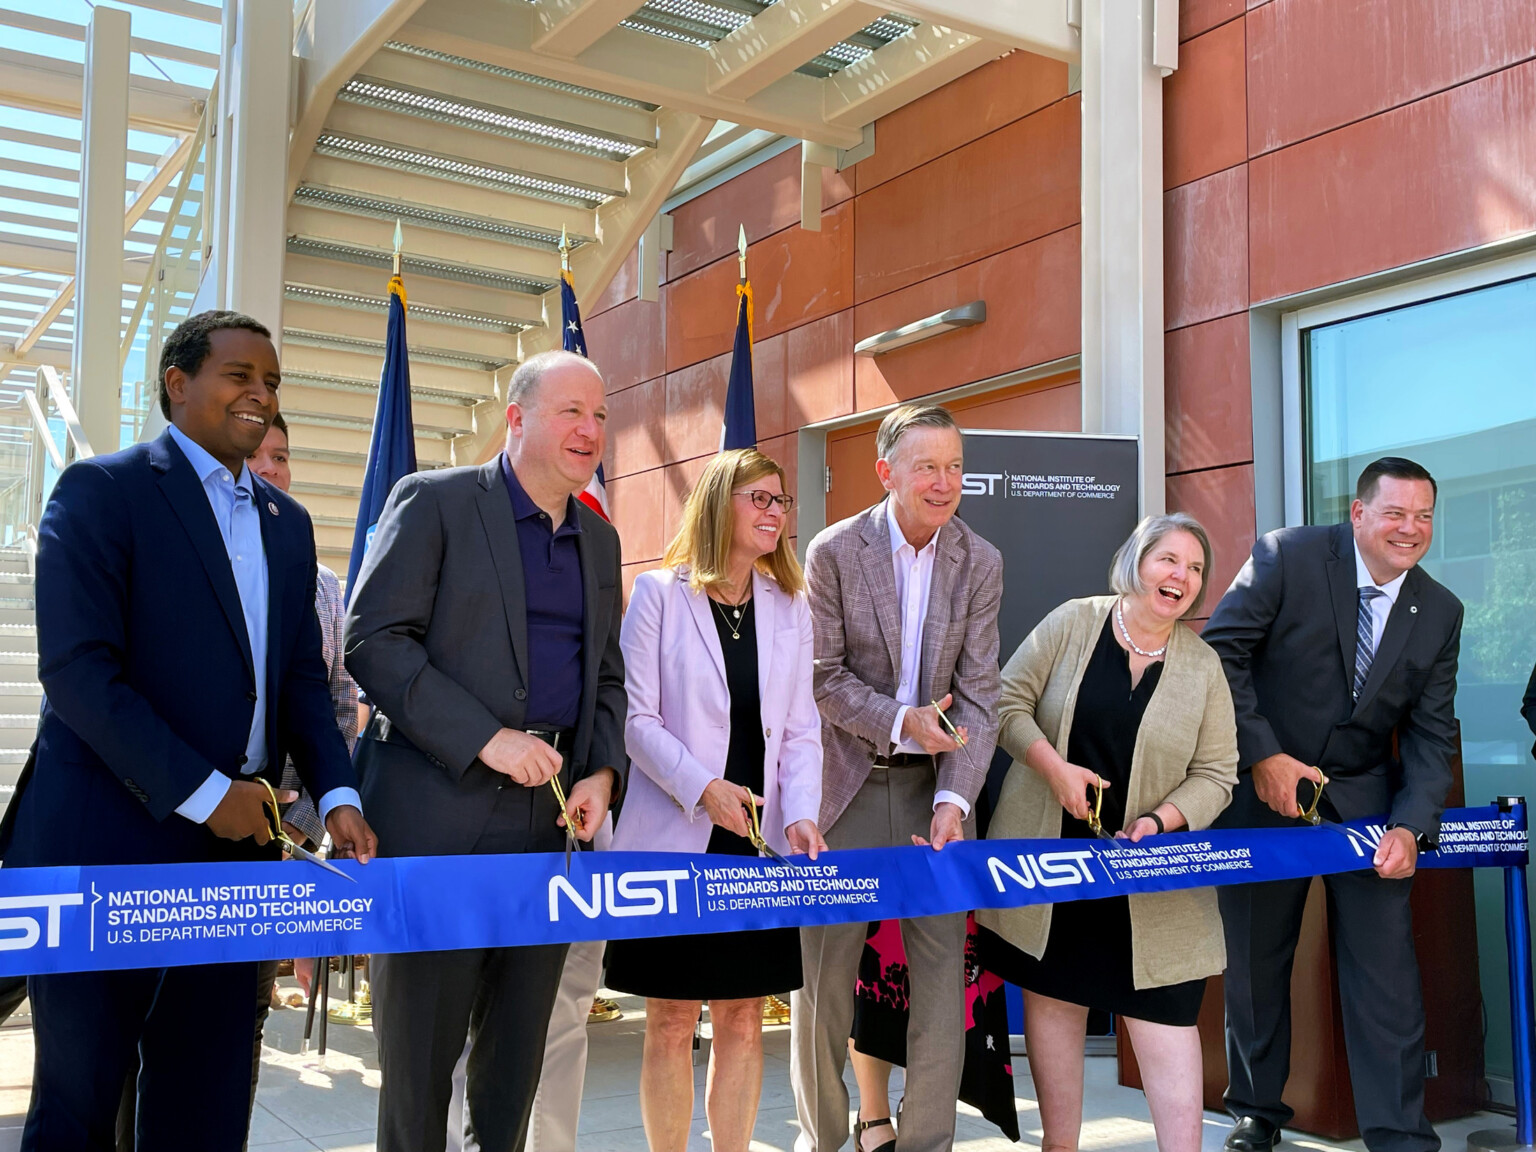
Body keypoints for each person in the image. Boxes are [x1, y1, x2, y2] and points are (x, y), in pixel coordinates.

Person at [0, 310, 375, 1152]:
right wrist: (209, 796)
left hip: (231, 857)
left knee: (205, 1103)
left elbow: (299, 681)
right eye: (240, 375)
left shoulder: (289, 526)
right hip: (102, 843)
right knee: (79, 1104)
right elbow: (79, 675)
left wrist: (339, 789)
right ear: (179, 385)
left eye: (271, 381)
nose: (259, 394)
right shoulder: (103, 490)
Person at [344, 348, 626, 1152]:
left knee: (512, 1075)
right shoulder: (432, 503)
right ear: (516, 418)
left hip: (547, 834)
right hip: (436, 820)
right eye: (571, 411)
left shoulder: (598, 543)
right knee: (419, 1078)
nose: (590, 429)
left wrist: (602, 771)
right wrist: (488, 740)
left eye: (601, 415)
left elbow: (608, 676)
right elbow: (374, 641)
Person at [1202, 456, 1462, 1152]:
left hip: (1365, 804)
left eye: (1423, 516)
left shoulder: (1439, 610)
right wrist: (1263, 755)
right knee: (1257, 962)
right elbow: (1219, 652)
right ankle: (1257, 1111)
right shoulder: (1286, 555)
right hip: (1262, 792)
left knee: (1387, 976)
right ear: (1358, 514)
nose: (1410, 529)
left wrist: (1411, 826)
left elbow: (1435, 736)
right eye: (1395, 513)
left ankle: (1400, 1135)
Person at [975, 513, 1238, 1152]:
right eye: (1168, 560)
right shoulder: (1073, 622)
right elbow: (1005, 704)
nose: (1181, 576)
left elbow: (1218, 773)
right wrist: (1054, 770)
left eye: (1195, 567)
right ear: (1137, 563)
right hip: (1053, 874)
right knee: (1055, 1005)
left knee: (1168, 1019)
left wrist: (1160, 822)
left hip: (1150, 877)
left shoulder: (1203, 666)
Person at [792, 402, 1002, 1152]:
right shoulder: (834, 551)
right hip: (845, 783)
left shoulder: (979, 560)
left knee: (942, 983)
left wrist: (955, 798)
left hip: (931, 793)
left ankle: (926, 1144)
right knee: (823, 983)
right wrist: (899, 718)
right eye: (927, 467)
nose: (944, 483)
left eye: (955, 467)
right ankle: (822, 1138)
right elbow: (820, 679)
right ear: (887, 472)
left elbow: (982, 694)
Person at [606, 447, 826, 1152]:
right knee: (670, 1020)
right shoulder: (659, 596)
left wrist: (800, 815)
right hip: (676, 836)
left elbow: (800, 731)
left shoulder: (792, 606)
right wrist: (704, 788)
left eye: (781, 501)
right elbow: (635, 723)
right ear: (717, 505)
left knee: (742, 1018)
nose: (775, 513)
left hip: (756, 841)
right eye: (759, 498)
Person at [245, 411, 361, 1069]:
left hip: (283, 836)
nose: (271, 469)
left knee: (246, 1018)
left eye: (282, 456)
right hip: (184, 834)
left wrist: (306, 826)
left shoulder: (322, 585)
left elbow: (338, 710)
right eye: (257, 455)